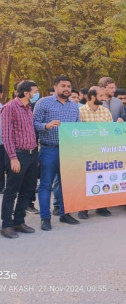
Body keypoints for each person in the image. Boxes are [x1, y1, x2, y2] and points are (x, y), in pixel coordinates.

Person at [34, 75, 81, 230]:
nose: (66, 89)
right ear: (55, 87)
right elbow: (33, 123)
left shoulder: (74, 106)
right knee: (46, 184)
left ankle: (65, 213)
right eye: (63, 86)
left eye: (69, 86)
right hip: (49, 149)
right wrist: (46, 126)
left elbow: (77, 127)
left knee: (66, 184)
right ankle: (45, 218)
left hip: (68, 151)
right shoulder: (43, 103)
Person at [1, 81, 39, 239]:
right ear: (26, 93)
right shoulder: (10, 107)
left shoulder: (28, 108)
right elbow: (7, 135)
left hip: (32, 154)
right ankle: (6, 225)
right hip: (18, 155)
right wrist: (13, 158)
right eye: (34, 91)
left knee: (27, 190)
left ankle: (19, 220)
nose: (36, 94)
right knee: (11, 191)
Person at [77, 86, 113, 219]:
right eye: (101, 96)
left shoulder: (106, 111)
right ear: (92, 97)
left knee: (102, 179)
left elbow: (110, 131)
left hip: (102, 152)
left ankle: (101, 207)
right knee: (85, 181)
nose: (104, 98)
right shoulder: (79, 111)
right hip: (85, 152)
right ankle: (83, 208)